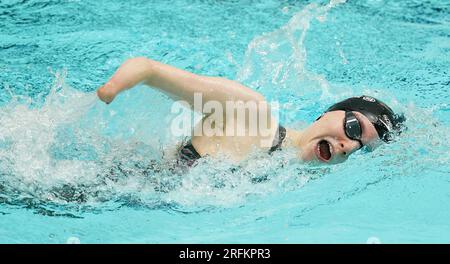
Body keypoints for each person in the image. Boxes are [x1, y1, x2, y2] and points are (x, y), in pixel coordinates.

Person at [97, 57, 404, 168]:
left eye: (362, 148)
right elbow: (148, 69)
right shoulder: (250, 113)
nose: (349, 146)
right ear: (326, 114)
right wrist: (112, 88)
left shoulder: (298, 178)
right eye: (353, 128)